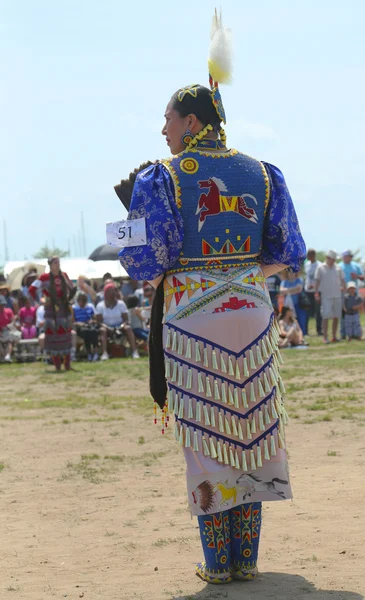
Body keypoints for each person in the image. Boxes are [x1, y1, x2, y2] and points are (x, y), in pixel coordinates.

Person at [117, 10, 306, 585]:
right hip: (250, 309)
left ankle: (218, 564)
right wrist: (242, 277)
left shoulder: (165, 176)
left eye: (168, 120)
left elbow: (145, 258)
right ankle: (247, 559)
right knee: (252, 426)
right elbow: (289, 250)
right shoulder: (264, 172)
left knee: (206, 434)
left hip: (192, 314)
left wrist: (131, 222)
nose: (164, 131)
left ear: (192, 119)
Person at [29, 257, 76, 370]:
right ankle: (57, 365)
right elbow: (32, 289)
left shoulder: (64, 275)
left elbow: (72, 288)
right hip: (50, 310)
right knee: (53, 335)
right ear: (50, 265)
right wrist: (41, 300)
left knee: (66, 335)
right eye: (55, 262)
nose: (58, 264)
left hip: (64, 309)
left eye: (58, 262)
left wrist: (69, 298)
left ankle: (67, 364)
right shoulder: (44, 277)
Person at [95, 282, 139, 359]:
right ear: (106, 293)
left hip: (120, 327)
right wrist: (107, 327)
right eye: (110, 291)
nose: (112, 293)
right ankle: (104, 353)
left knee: (128, 328)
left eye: (114, 291)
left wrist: (121, 326)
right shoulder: (100, 306)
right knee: (102, 330)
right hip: (107, 328)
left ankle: (134, 351)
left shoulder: (121, 304)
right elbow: (99, 322)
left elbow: (126, 320)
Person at [314, 250, 345, 344]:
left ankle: (334, 336)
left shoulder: (338, 267)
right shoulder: (320, 268)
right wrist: (316, 293)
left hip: (337, 295)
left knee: (336, 316)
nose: (334, 260)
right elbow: (317, 281)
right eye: (333, 258)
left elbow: (343, 280)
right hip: (326, 295)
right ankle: (325, 337)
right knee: (325, 316)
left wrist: (345, 288)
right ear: (328, 258)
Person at [338, 250, 364, 339]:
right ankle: (343, 333)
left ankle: (356, 333)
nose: (346, 258)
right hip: (343, 292)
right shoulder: (339, 266)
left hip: (354, 293)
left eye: (348, 256)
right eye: (345, 256)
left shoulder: (356, 265)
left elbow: (362, 277)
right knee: (343, 312)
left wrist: (357, 276)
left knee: (355, 313)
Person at [72, 291, 99, 361]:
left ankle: (95, 352)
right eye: (81, 300)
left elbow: (95, 319)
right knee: (86, 332)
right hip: (79, 327)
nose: (83, 302)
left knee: (93, 331)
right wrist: (80, 323)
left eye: (85, 300)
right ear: (78, 300)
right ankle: (89, 353)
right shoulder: (74, 308)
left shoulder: (90, 307)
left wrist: (92, 321)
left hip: (89, 325)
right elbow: (73, 321)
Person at [280, 270, 307, 335]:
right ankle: (291, 334)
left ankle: (303, 334)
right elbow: (281, 291)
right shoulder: (284, 282)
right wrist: (294, 289)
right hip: (288, 306)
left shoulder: (299, 280)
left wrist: (288, 291)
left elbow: (299, 290)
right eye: (290, 272)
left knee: (301, 319)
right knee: (290, 319)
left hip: (299, 304)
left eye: (293, 272)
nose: (291, 274)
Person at [304, 249, 322, 335]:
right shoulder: (306, 264)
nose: (307, 257)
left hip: (316, 291)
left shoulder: (319, 265)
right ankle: (306, 331)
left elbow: (320, 279)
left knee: (318, 311)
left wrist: (315, 286)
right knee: (307, 311)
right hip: (307, 291)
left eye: (308, 255)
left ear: (313, 255)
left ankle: (319, 330)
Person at [0, 295, 21, 362]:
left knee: (10, 340)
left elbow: (12, 321)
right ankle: (4, 356)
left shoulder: (8, 311)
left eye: (3, 304)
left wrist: (9, 326)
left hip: (8, 330)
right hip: (0, 332)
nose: (2, 306)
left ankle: (7, 356)